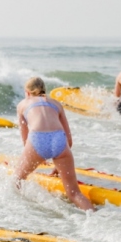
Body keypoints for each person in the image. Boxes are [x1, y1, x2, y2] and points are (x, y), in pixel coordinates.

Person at [14, 78, 94, 211]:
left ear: (27, 92)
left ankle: (26, 212)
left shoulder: (22, 104)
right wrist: (59, 163)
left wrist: (36, 156)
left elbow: (25, 137)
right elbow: (69, 139)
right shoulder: (56, 104)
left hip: (37, 140)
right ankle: (95, 216)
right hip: (60, 141)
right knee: (74, 193)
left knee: (17, 180)